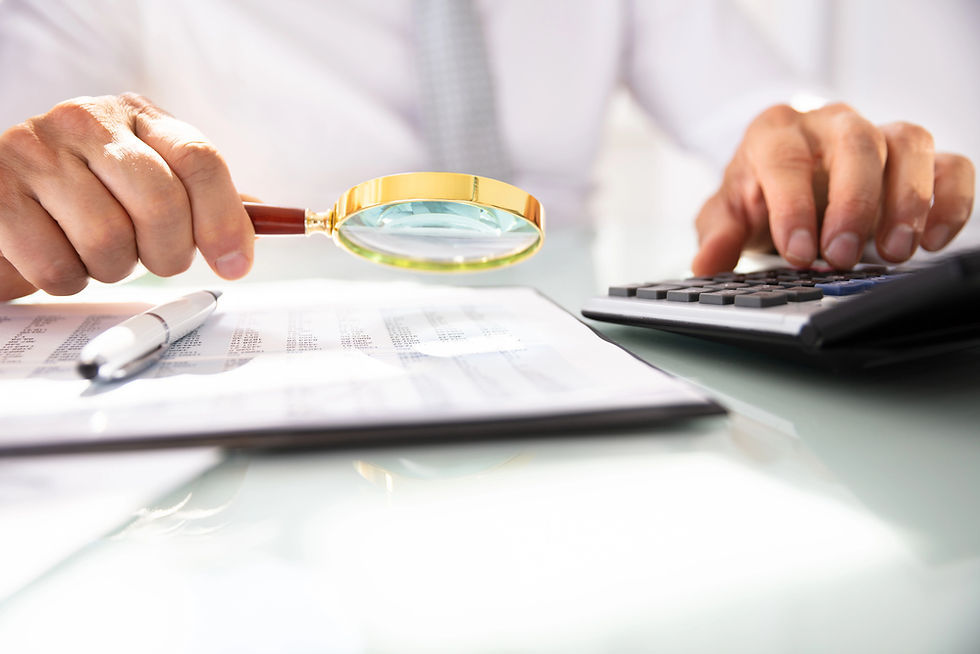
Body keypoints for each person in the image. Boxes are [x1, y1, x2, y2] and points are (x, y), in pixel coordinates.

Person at [0, 0, 974, 302]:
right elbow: (26, 164)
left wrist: (812, 151)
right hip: (274, 380)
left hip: (591, 360)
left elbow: (757, 113)